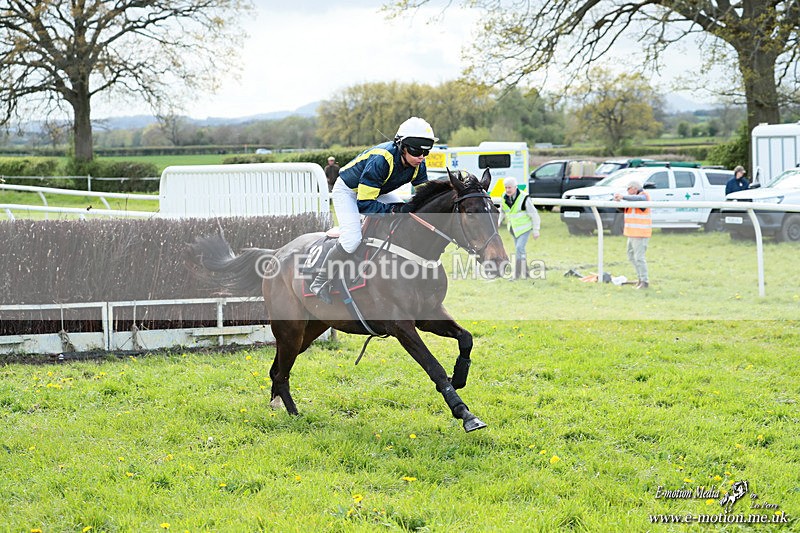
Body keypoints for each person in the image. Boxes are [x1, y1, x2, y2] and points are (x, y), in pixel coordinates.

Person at [309, 117, 437, 304]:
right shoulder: (381, 160)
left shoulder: (419, 164)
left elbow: (424, 198)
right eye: (417, 151)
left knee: (407, 218)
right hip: (349, 191)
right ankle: (320, 281)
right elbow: (365, 205)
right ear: (401, 146)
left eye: (426, 151)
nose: (421, 157)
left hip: (377, 191)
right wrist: (395, 209)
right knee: (352, 240)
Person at [498, 177, 540, 280]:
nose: (507, 190)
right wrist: (498, 221)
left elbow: (534, 214)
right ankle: (526, 272)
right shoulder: (504, 197)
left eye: (509, 187)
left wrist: (536, 230)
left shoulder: (524, 198)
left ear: (515, 187)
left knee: (519, 248)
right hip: (513, 229)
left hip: (525, 228)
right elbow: (502, 211)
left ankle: (516, 274)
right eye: (506, 187)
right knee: (521, 251)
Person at [613, 180, 651, 289]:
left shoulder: (644, 195)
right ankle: (640, 279)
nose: (627, 191)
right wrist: (617, 201)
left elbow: (640, 199)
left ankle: (644, 281)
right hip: (632, 233)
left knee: (639, 258)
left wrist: (623, 197)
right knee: (631, 256)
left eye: (628, 189)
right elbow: (623, 209)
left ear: (634, 188)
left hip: (640, 233)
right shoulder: (631, 199)